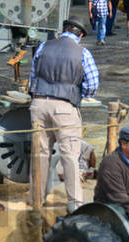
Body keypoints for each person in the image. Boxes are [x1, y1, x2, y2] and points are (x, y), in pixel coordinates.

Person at [29, 16, 99, 214]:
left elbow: (33, 76)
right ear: (81, 35)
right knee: (70, 155)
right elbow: (92, 84)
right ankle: (74, 203)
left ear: (63, 30)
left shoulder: (44, 46)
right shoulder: (82, 52)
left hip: (39, 104)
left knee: (40, 154)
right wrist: (80, 93)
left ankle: (36, 200)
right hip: (65, 106)